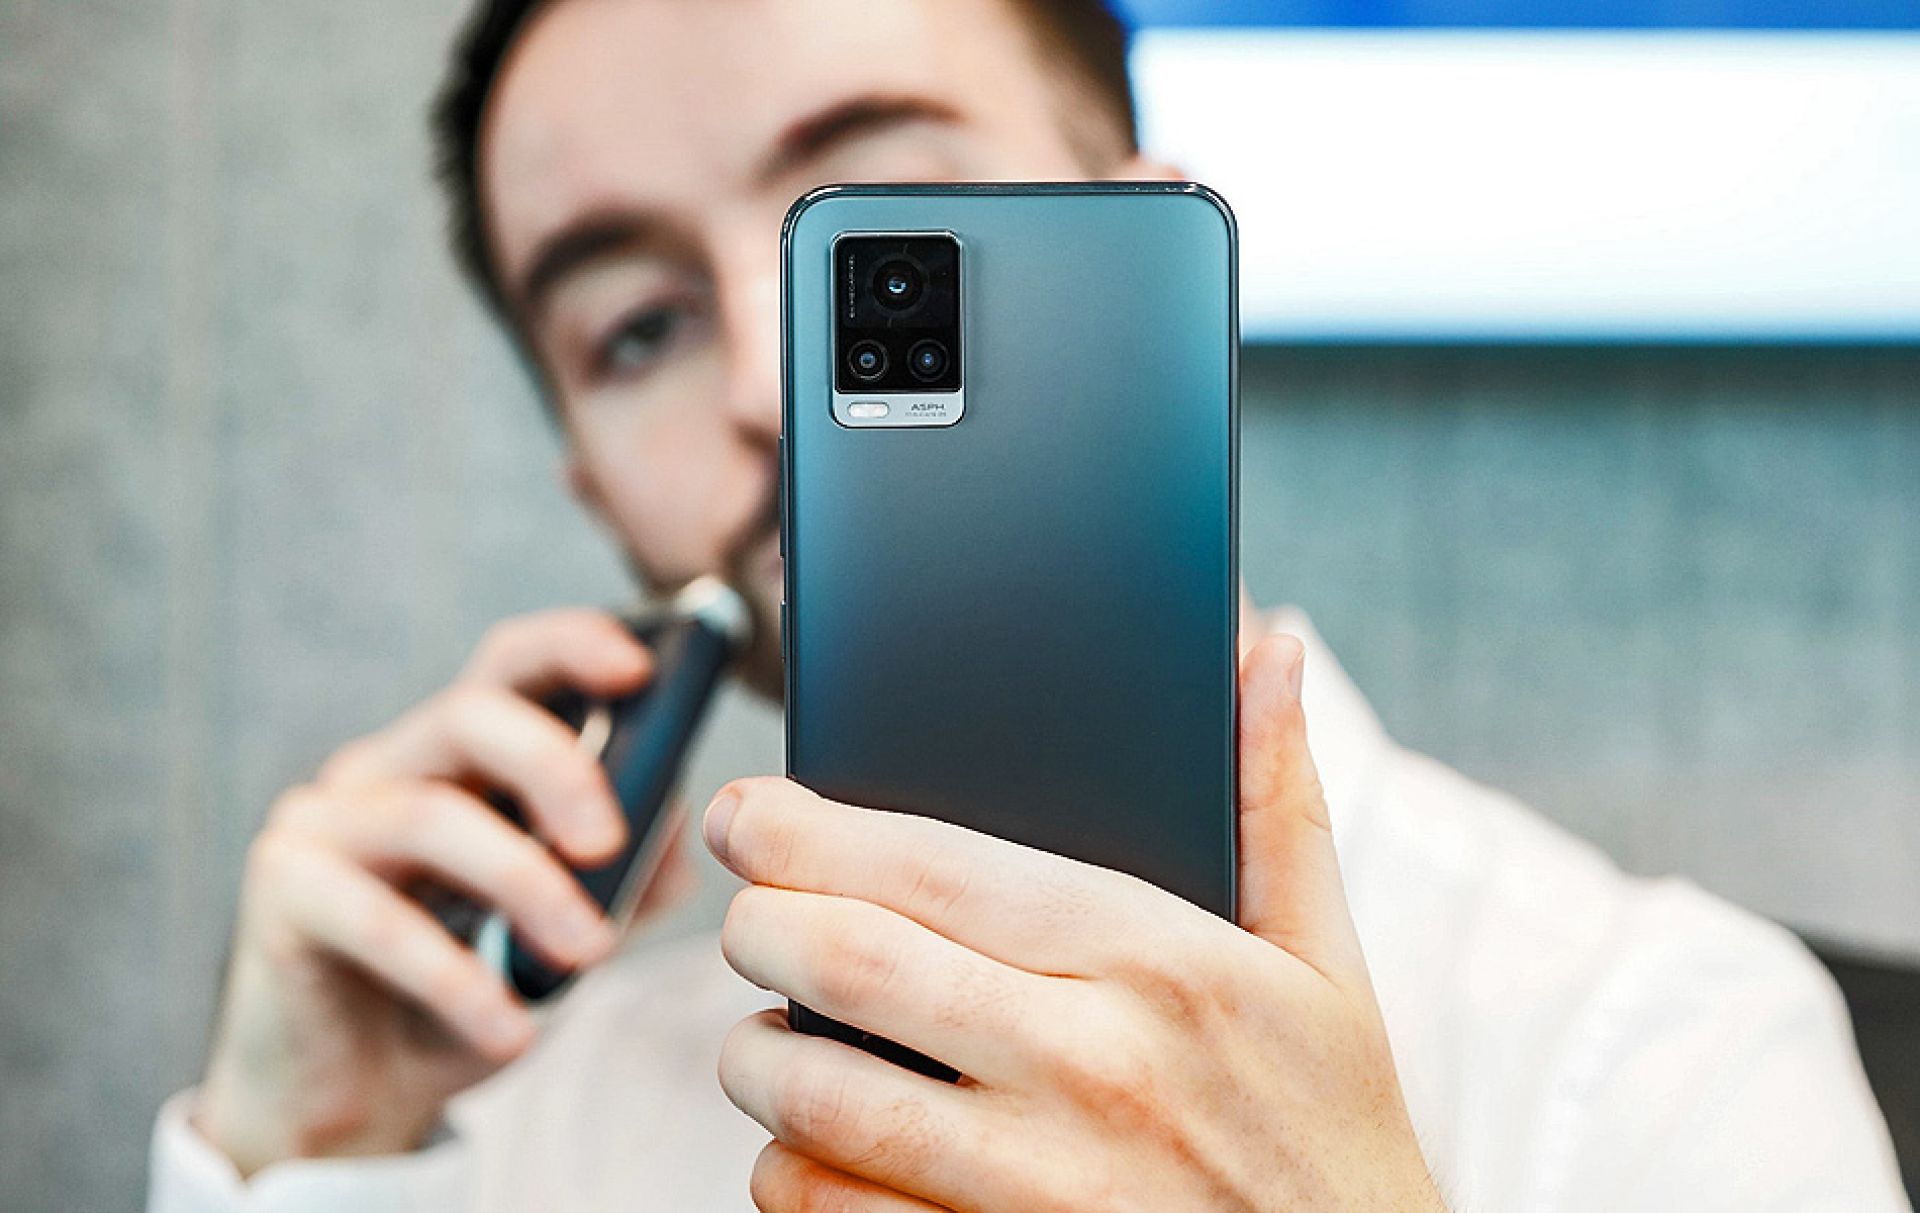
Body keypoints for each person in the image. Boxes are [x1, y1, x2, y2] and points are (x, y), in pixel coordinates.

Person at [147, 1, 1910, 1210]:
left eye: (887, 228)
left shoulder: (1661, 1040)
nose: (769, 377)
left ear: (1156, 256)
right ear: (594, 488)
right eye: (638, 328)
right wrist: (304, 1154)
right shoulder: (514, 1131)